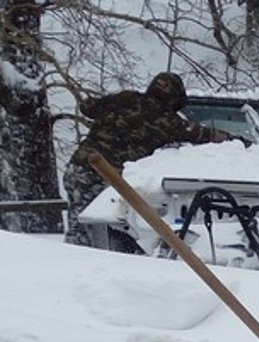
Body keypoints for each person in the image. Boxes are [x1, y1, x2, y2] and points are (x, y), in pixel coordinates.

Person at [63, 72, 233, 247]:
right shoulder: (168, 121)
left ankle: (78, 262)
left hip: (79, 167)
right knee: (96, 236)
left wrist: (112, 108)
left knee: (83, 230)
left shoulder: (125, 98)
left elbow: (87, 107)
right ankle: (85, 267)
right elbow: (203, 135)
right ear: (175, 99)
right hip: (106, 177)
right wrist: (233, 140)